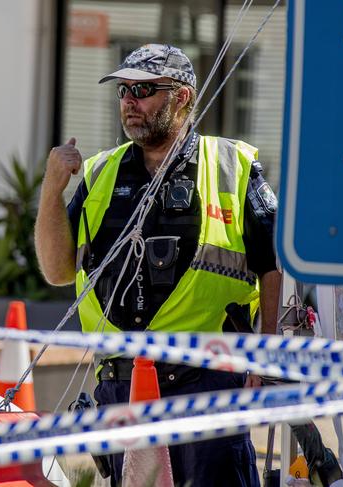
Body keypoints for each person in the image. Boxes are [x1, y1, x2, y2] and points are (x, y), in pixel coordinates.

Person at [35, 44, 282, 487]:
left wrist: (264, 361)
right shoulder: (99, 172)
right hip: (120, 386)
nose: (129, 101)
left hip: (204, 384)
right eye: (124, 90)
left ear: (183, 96)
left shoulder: (231, 165)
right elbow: (56, 271)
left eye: (144, 89)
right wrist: (52, 188)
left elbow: (272, 266)